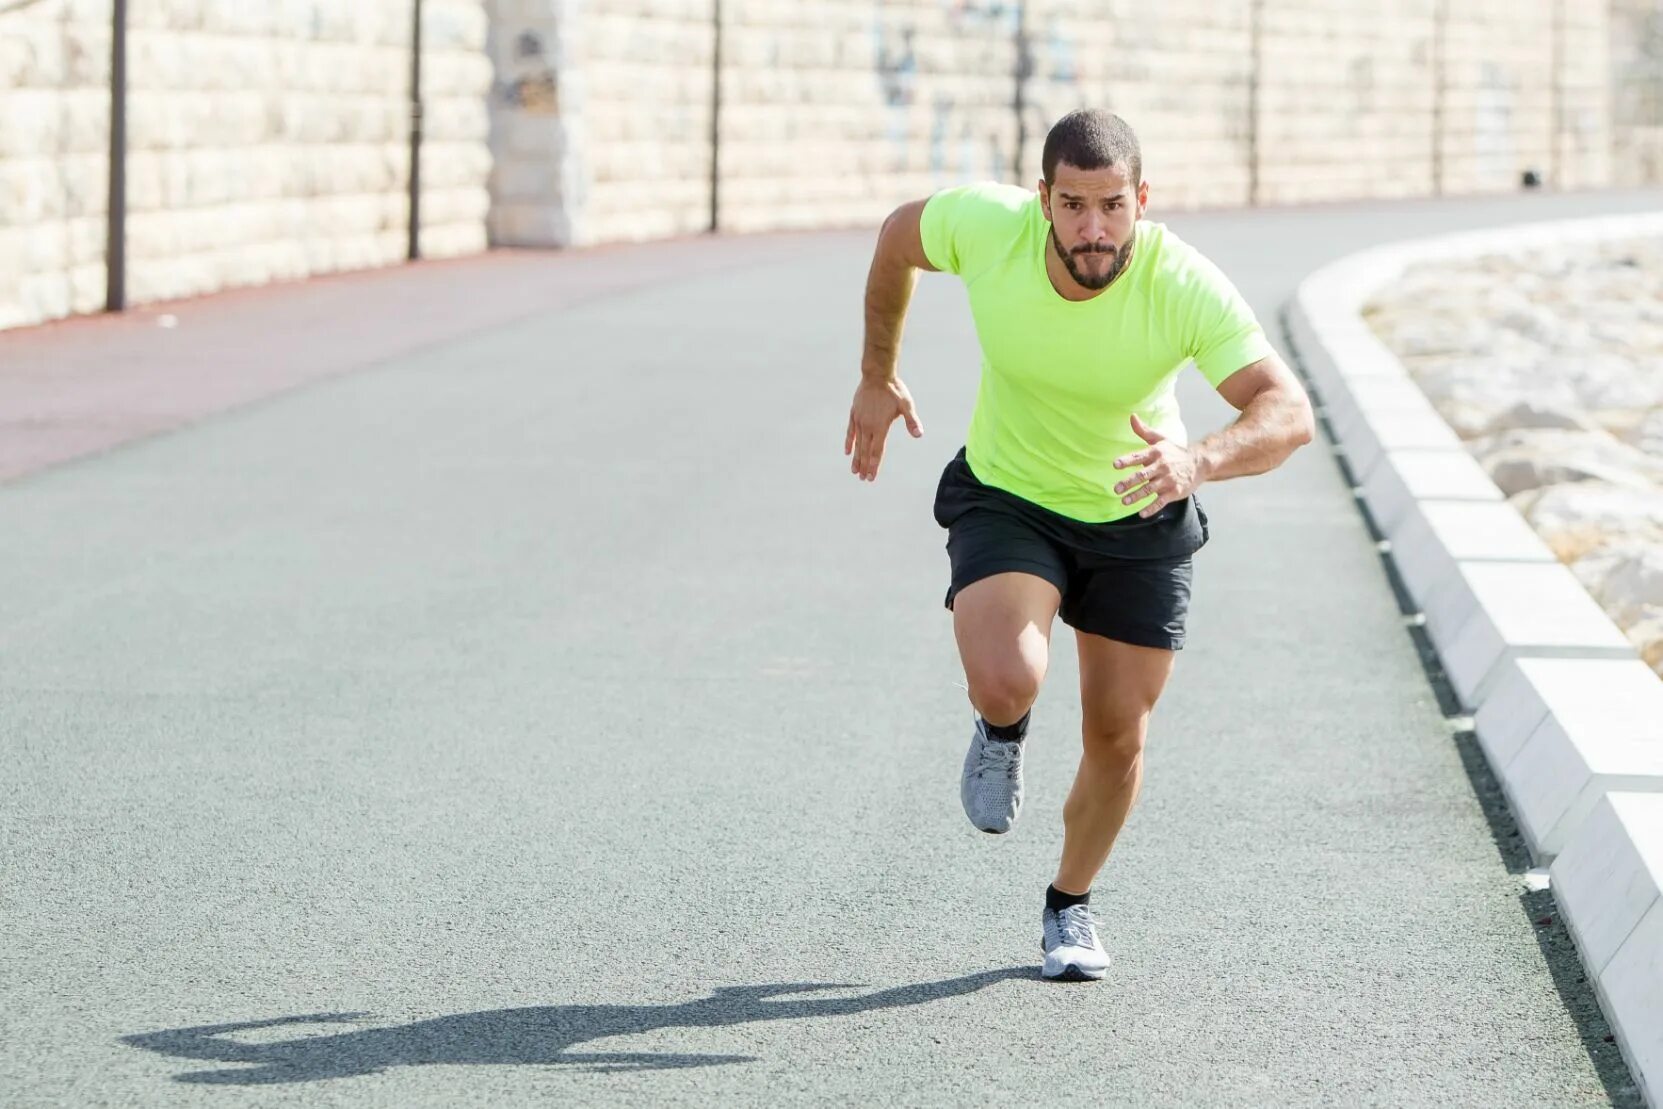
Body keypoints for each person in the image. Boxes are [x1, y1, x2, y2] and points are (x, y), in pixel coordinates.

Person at [843, 109, 1315, 981]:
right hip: (1010, 494)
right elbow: (894, 239)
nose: (1091, 229)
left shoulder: (1182, 282)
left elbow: (1289, 414)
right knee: (1007, 673)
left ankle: (1069, 905)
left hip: (1140, 510)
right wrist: (877, 373)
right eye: (1071, 206)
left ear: (1141, 200)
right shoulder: (989, 228)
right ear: (1042, 201)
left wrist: (1199, 458)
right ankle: (1001, 726)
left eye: (1110, 206)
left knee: (1118, 735)